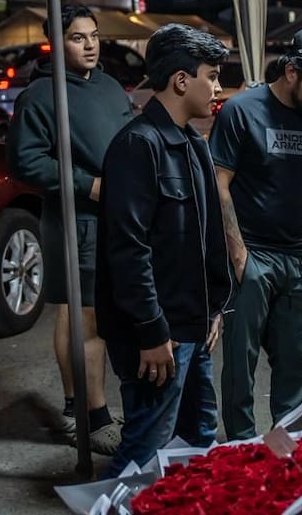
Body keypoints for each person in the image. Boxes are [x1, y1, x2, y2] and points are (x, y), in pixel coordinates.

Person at [94, 24, 232, 477]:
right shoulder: (138, 145)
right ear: (181, 80)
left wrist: (214, 308)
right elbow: (127, 250)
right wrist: (151, 332)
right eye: (212, 76)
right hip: (158, 338)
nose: (217, 88)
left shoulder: (192, 143)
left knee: (199, 439)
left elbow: (205, 236)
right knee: (144, 451)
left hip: (192, 327)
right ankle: (113, 505)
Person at [210, 27, 302, 440]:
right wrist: (238, 255)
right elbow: (219, 184)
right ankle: (242, 447)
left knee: (297, 363)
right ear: (293, 70)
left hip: (299, 256)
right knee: (240, 365)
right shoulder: (242, 111)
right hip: (252, 254)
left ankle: (285, 447)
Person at [7, 4, 131, 453]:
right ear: (56, 43)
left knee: (86, 314)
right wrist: (86, 184)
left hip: (115, 216)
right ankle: (93, 419)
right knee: (84, 317)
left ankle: (77, 406)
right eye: (78, 38)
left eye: (94, 35)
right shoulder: (41, 95)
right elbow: (25, 160)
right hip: (76, 219)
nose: (90, 45)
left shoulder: (109, 85)